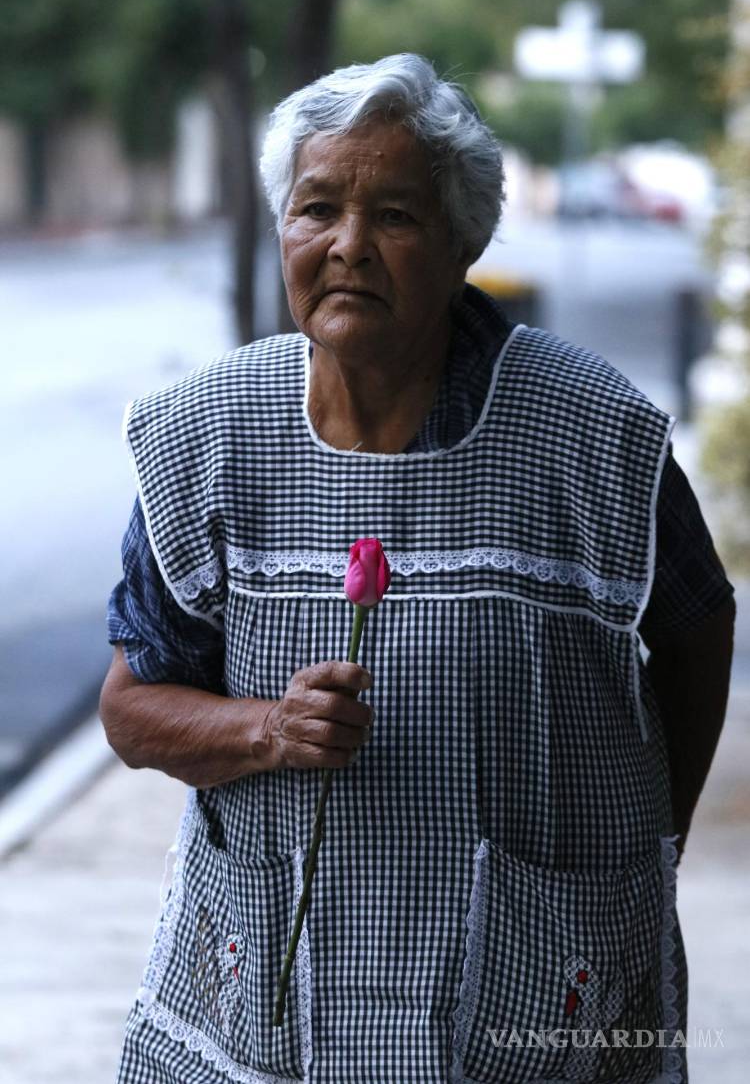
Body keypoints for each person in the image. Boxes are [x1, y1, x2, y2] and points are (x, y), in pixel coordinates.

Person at [100, 53, 735, 1084]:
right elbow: (132, 711)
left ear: (461, 244)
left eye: (394, 215)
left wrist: (653, 835)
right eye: (318, 209)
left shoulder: (590, 432)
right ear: (284, 227)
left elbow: (700, 625)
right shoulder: (209, 433)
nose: (348, 245)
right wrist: (267, 728)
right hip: (269, 984)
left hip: (538, 977)